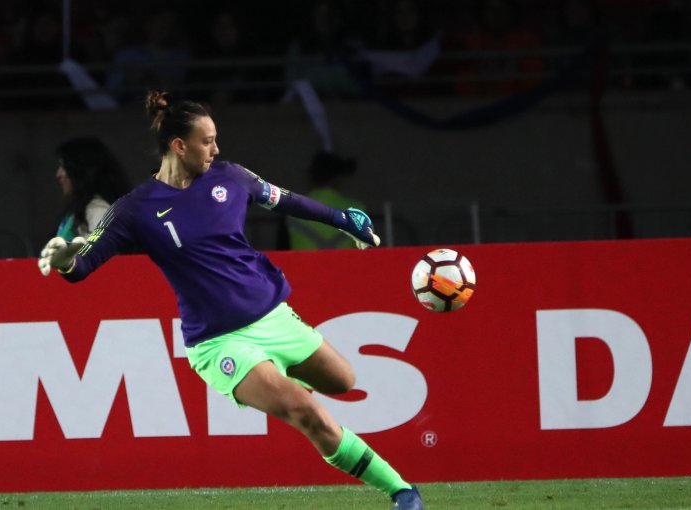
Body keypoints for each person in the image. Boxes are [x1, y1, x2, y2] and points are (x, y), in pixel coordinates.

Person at [37, 91, 424, 510]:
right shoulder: (136, 209)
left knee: (344, 381)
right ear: (179, 146)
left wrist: (341, 218)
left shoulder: (231, 178)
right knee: (305, 411)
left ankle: (282, 376)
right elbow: (84, 264)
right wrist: (65, 261)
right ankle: (403, 492)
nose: (216, 149)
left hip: (274, 316)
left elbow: (286, 199)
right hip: (220, 342)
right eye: (207, 141)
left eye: (216, 139)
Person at [286, 150, 368, 250]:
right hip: (344, 265)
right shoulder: (358, 209)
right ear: (338, 177)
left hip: (304, 265)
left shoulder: (292, 207)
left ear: (311, 176)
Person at [53, 137, 132, 240]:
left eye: (63, 166)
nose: (58, 174)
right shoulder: (80, 209)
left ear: (81, 170)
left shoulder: (98, 211)